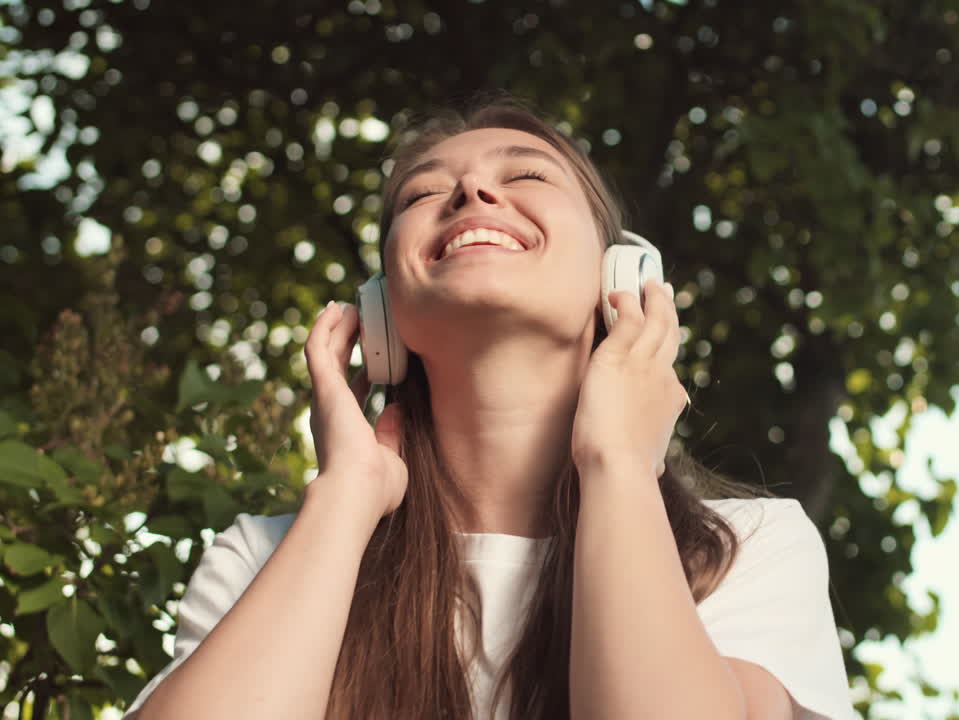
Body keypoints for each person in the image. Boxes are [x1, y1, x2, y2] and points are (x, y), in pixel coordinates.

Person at [123, 94, 853, 720]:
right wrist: (347, 497)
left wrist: (619, 463)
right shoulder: (265, 556)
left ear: (623, 277)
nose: (471, 195)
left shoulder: (748, 548)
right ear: (380, 316)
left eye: (527, 175)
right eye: (421, 195)